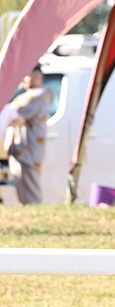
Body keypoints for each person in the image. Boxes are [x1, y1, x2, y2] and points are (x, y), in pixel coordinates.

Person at [8, 65, 53, 205]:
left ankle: (35, 215)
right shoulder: (27, 94)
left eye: (26, 75)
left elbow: (16, 117)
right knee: (22, 187)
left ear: (36, 76)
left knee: (31, 192)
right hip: (20, 148)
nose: (23, 79)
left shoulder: (39, 95)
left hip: (28, 148)